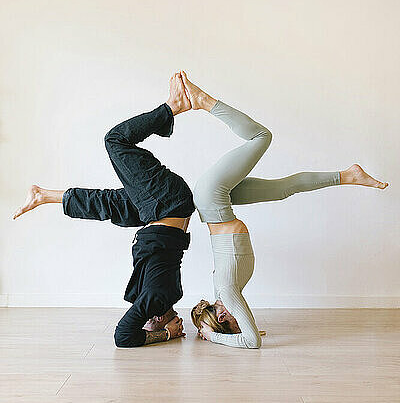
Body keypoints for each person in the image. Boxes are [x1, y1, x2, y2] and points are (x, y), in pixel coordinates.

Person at [182, 71, 389, 349]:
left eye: (233, 323)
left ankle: (202, 100)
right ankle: (348, 175)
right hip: (217, 202)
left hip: (212, 197)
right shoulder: (227, 294)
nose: (240, 321)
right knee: (283, 189)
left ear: (222, 315)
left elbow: (251, 342)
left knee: (261, 137)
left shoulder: (227, 294)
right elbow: (248, 330)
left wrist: (213, 336)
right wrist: (233, 328)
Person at [13, 73, 195, 347]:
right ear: (157, 319)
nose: (142, 322)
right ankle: (173, 106)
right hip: (167, 202)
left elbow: (137, 324)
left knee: (107, 204)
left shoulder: (155, 295)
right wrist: (168, 334)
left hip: (154, 213)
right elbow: (124, 337)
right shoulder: (156, 297)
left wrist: (165, 330)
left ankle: (43, 195)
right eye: (147, 322)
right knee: (116, 141)